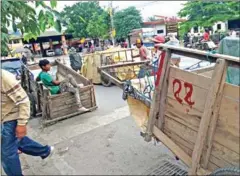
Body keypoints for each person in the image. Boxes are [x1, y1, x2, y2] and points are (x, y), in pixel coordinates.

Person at [1, 69, 54, 176]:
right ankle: (44, 151)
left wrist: (21, 124)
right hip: (3, 117)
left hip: (10, 118)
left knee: (7, 154)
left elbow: (24, 101)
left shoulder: (4, 78)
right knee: (17, 141)